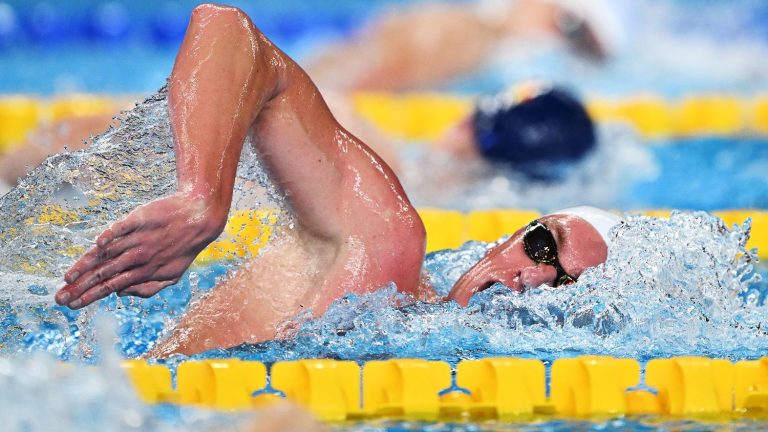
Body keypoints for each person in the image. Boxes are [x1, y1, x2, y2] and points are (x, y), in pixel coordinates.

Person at [52, 4, 621, 356]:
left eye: (564, 287)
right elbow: (224, 28)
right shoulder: (383, 242)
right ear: (511, 234)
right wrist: (202, 194)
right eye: (543, 245)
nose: (531, 277)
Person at [306, 0, 632, 91]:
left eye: (580, 47)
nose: (553, 41)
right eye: (568, 25)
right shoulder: (451, 32)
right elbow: (325, 90)